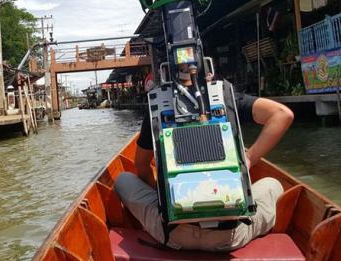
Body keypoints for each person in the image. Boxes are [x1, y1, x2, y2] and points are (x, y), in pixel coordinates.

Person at [114, 79, 294, 251]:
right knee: (273, 184)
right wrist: (249, 158)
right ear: (208, 72)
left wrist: (161, 198)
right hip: (230, 236)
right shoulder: (225, 96)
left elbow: (142, 166)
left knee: (123, 179)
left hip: (172, 235)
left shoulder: (158, 104)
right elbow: (283, 114)